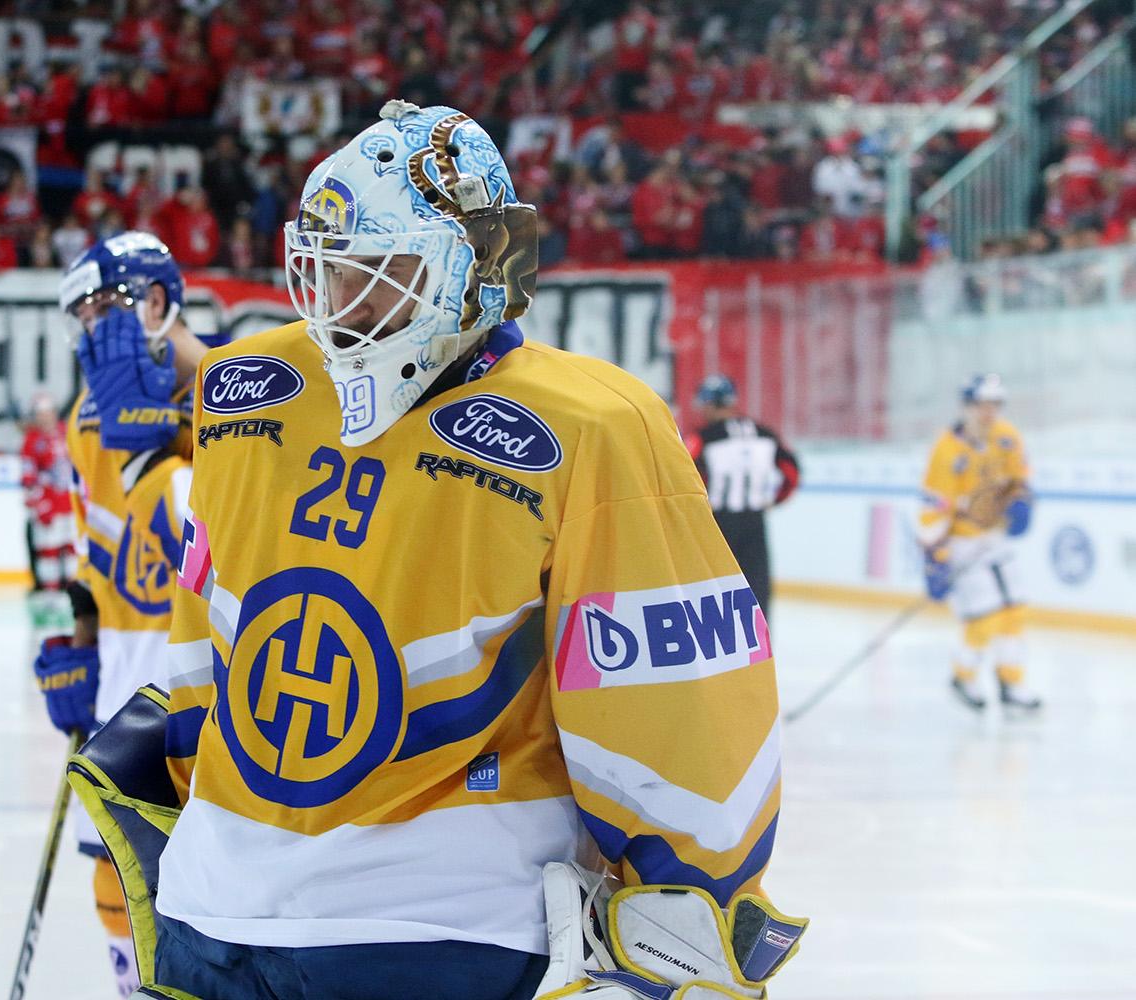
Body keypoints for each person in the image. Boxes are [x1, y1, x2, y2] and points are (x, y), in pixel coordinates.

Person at [79, 101, 805, 1000]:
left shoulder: (592, 426)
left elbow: (673, 697)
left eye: (378, 271)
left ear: (475, 267)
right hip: (216, 911)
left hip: (441, 933)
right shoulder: (246, 392)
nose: (341, 304)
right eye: (325, 269)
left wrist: (692, 908)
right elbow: (205, 626)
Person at [31, 232, 210, 995]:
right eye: (80, 318)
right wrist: (83, 644)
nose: (89, 333)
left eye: (101, 310)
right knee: (115, 876)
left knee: (205, 886)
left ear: (157, 302)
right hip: (122, 681)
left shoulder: (233, 395)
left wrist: (164, 440)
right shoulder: (87, 419)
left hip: (207, 682)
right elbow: (97, 551)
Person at [919, 374, 1040, 711]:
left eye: (995, 405)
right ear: (966, 407)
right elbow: (933, 507)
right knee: (984, 616)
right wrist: (935, 557)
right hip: (963, 544)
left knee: (1015, 610)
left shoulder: (1007, 437)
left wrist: (1022, 501)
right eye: (981, 405)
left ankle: (1011, 682)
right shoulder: (946, 450)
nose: (988, 412)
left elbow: (1020, 479)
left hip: (995, 539)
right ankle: (964, 676)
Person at [684, 373, 801, 621]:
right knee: (757, 589)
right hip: (754, 522)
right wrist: (775, 500)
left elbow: (682, 472)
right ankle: (760, 644)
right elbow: (792, 473)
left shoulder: (703, 437)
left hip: (718, 523)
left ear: (709, 403)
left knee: (713, 590)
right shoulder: (764, 433)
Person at [19, 391, 77, 598]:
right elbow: (28, 476)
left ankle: (73, 589)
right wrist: (37, 504)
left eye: (48, 412)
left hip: (70, 502)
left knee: (72, 547)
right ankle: (49, 590)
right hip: (48, 503)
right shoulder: (31, 440)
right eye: (41, 414)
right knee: (48, 549)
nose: (45, 418)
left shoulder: (67, 432)